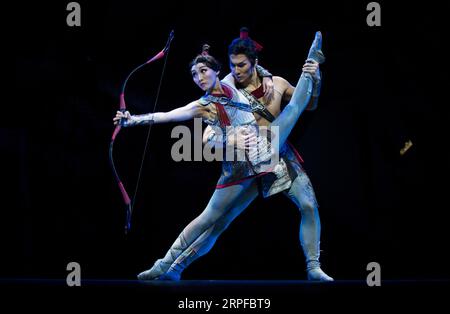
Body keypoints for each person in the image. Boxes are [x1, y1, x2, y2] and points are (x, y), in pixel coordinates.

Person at [113, 30, 331, 281]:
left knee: (294, 111)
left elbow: (299, 99)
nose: (199, 77)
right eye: (194, 74)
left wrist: (304, 76)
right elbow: (169, 116)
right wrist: (132, 121)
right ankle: (167, 266)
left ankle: (312, 60)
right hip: (241, 165)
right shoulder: (211, 97)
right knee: (212, 220)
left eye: (204, 71)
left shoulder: (259, 81)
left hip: (269, 147)